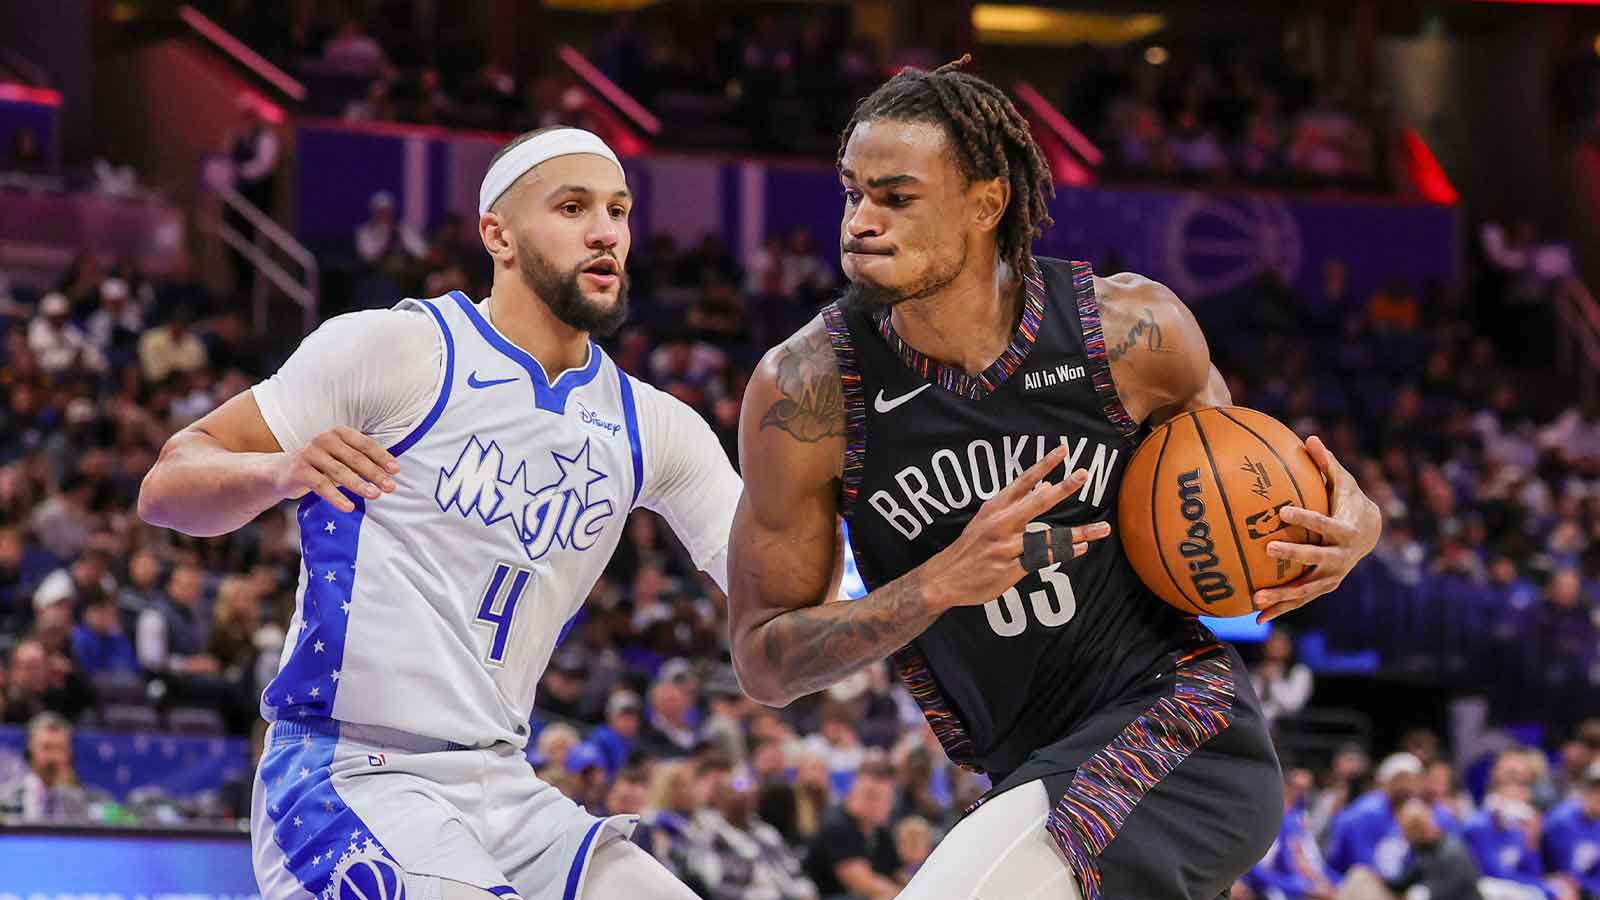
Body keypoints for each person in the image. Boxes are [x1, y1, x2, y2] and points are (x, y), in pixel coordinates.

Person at [727, 57, 1383, 900]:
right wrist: (934, 587)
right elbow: (764, 665)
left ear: (986, 202)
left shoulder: (1130, 333)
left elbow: (1258, 491)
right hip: (1026, 772)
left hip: (1182, 731)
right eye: (853, 192)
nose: (861, 220)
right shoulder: (809, 390)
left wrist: (1351, 526)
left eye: (896, 197)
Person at [138, 126, 741, 899]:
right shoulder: (400, 350)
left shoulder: (651, 424)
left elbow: (791, 581)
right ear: (499, 234)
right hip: (346, 770)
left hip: (503, 783)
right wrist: (278, 470)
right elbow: (166, 485)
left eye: (619, 211)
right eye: (572, 207)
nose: (605, 232)